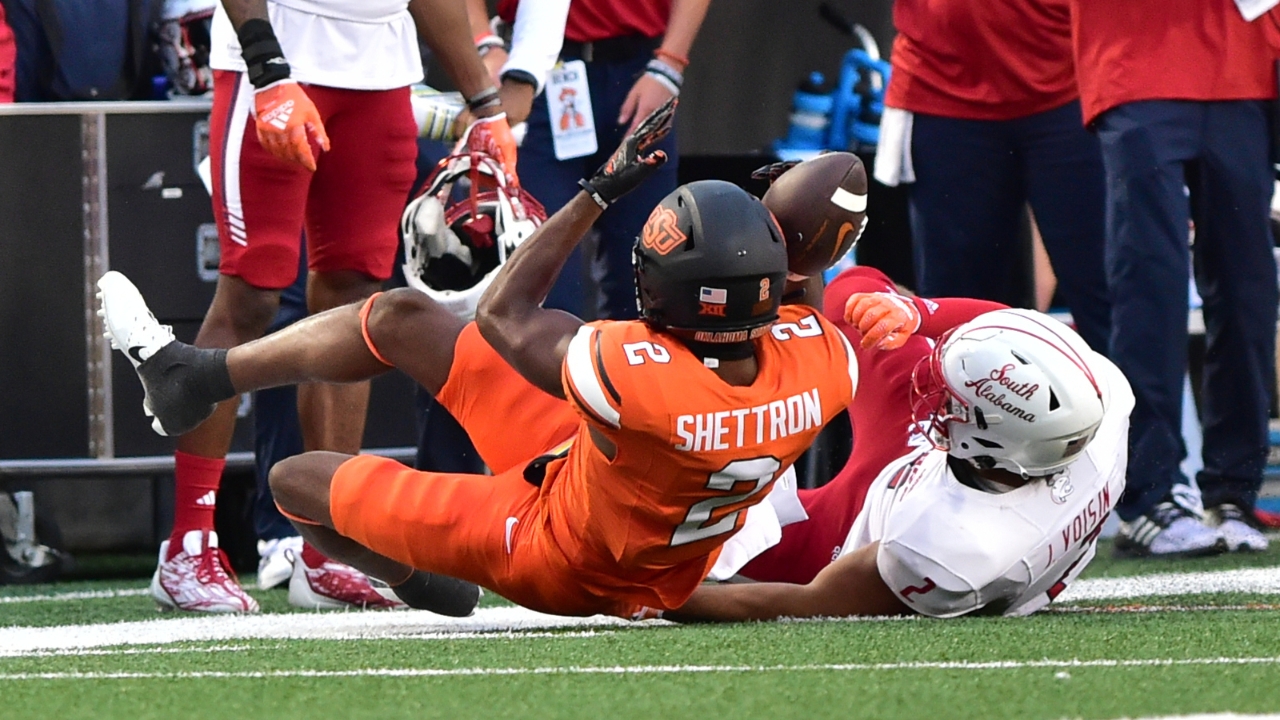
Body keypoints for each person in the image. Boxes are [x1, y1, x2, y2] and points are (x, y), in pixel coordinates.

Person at [97, 101, 860, 618]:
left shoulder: (634, 367)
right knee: (399, 316)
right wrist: (799, 229)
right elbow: (793, 287)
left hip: (555, 548)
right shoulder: (820, 363)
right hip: (621, 486)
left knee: (295, 483)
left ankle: (427, 582)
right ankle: (193, 377)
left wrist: (597, 191)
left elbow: (502, 314)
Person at [150, 0, 521, 614]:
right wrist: (267, 68)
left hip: (380, 67)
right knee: (251, 293)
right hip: (279, 54)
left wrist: (484, 105)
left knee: (355, 302)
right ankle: (188, 544)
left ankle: (328, 548)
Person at [658, 267, 1132, 621]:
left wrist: (645, 599)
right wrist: (915, 312)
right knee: (856, 298)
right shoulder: (1099, 399)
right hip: (946, 471)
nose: (935, 395)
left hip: (860, 529)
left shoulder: (952, 551)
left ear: (986, 442)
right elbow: (1007, 322)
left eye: (951, 403)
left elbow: (809, 601)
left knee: (688, 540)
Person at [1070, 0, 1274, 557]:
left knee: (1248, 290)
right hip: (1136, 64)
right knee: (1149, 288)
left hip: (1248, 67)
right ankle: (1149, 495)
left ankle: (1233, 490)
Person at [873, 0, 1110, 353]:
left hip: (1074, 78)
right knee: (955, 312)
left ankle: (1123, 408)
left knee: (1107, 293)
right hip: (942, 85)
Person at [493, 0, 712, 319]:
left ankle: (633, 367)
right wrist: (485, 44)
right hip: (538, 71)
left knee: (648, 275)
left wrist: (669, 67)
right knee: (541, 280)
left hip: (639, 68)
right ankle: (548, 369)